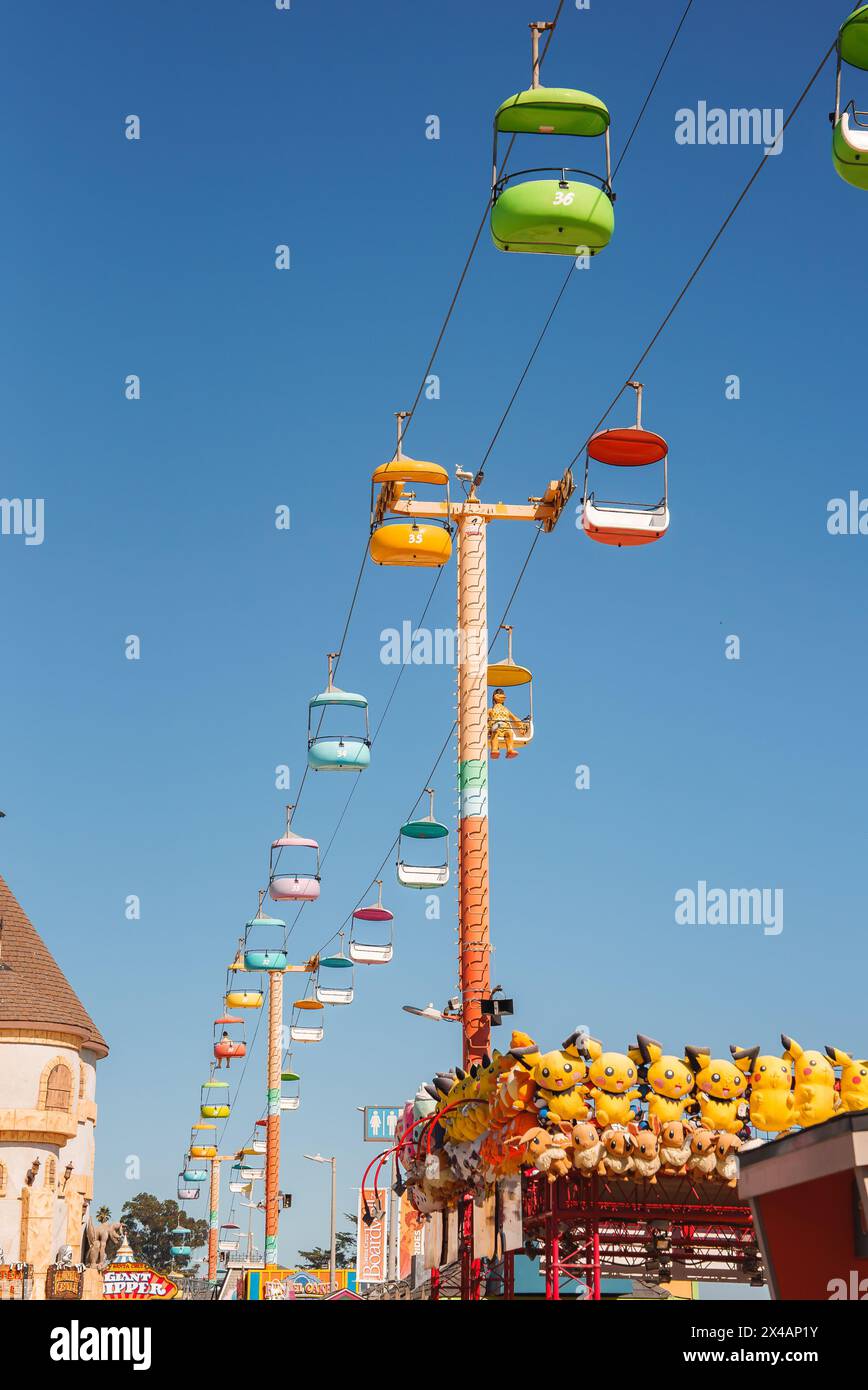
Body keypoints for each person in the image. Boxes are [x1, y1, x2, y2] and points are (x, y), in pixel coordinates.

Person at [488, 687, 524, 759]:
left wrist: (521, 725)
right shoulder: (491, 710)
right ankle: (494, 749)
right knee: (495, 733)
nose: (501, 696)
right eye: (499, 694)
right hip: (496, 726)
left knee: (509, 734)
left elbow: (514, 718)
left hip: (505, 727)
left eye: (502, 694)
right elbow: (486, 717)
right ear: (494, 697)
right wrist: (488, 727)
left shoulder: (506, 710)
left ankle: (510, 750)